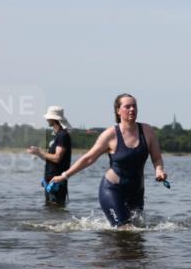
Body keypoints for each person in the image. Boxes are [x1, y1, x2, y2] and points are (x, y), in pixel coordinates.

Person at [49, 94, 167, 227]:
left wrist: (159, 170)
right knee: (125, 229)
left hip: (137, 193)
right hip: (112, 189)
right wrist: (64, 176)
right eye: (127, 106)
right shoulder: (110, 135)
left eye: (134, 106)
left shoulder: (147, 131)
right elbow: (88, 158)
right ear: (118, 110)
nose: (132, 109)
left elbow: (157, 158)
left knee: (136, 234)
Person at [27, 106, 73, 205]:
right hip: (50, 181)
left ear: (54, 119)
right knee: (50, 213)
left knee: (55, 210)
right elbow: (51, 158)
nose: (47, 119)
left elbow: (57, 158)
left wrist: (39, 152)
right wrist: (37, 153)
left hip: (57, 182)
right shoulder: (56, 136)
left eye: (48, 117)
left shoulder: (62, 135)